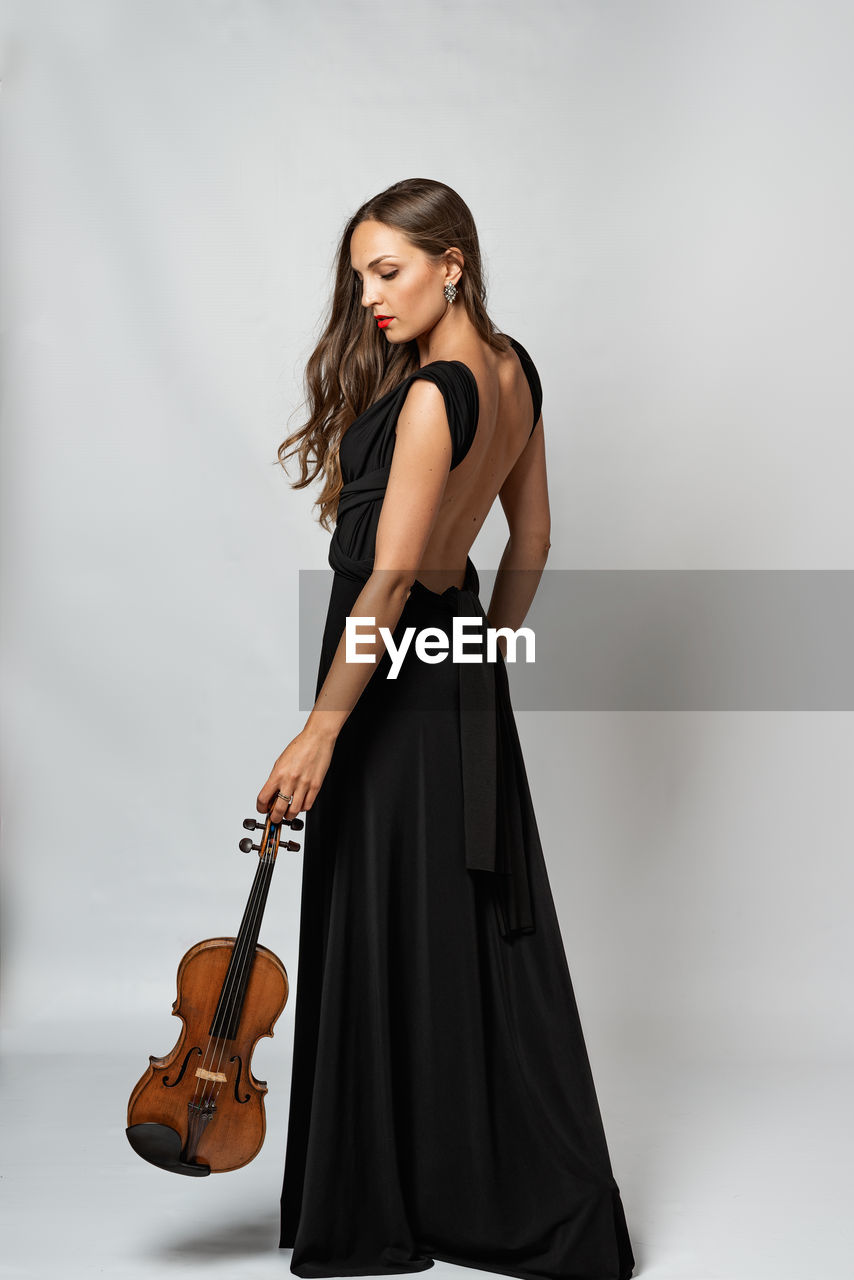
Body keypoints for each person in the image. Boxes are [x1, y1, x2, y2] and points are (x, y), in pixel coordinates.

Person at [256, 177, 636, 1280]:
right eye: (360, 274)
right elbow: (531, 541)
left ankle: (388, 1199)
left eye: (389, 270)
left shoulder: (435, 394)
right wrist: (476, 655)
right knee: (442, 923)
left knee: (384, 920)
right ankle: (447, 1180)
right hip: (449, 675)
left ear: (451, 260)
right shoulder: (513, 371)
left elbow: (383, 584)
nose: (369, 295)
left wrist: (321, 730)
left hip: (381, 687)